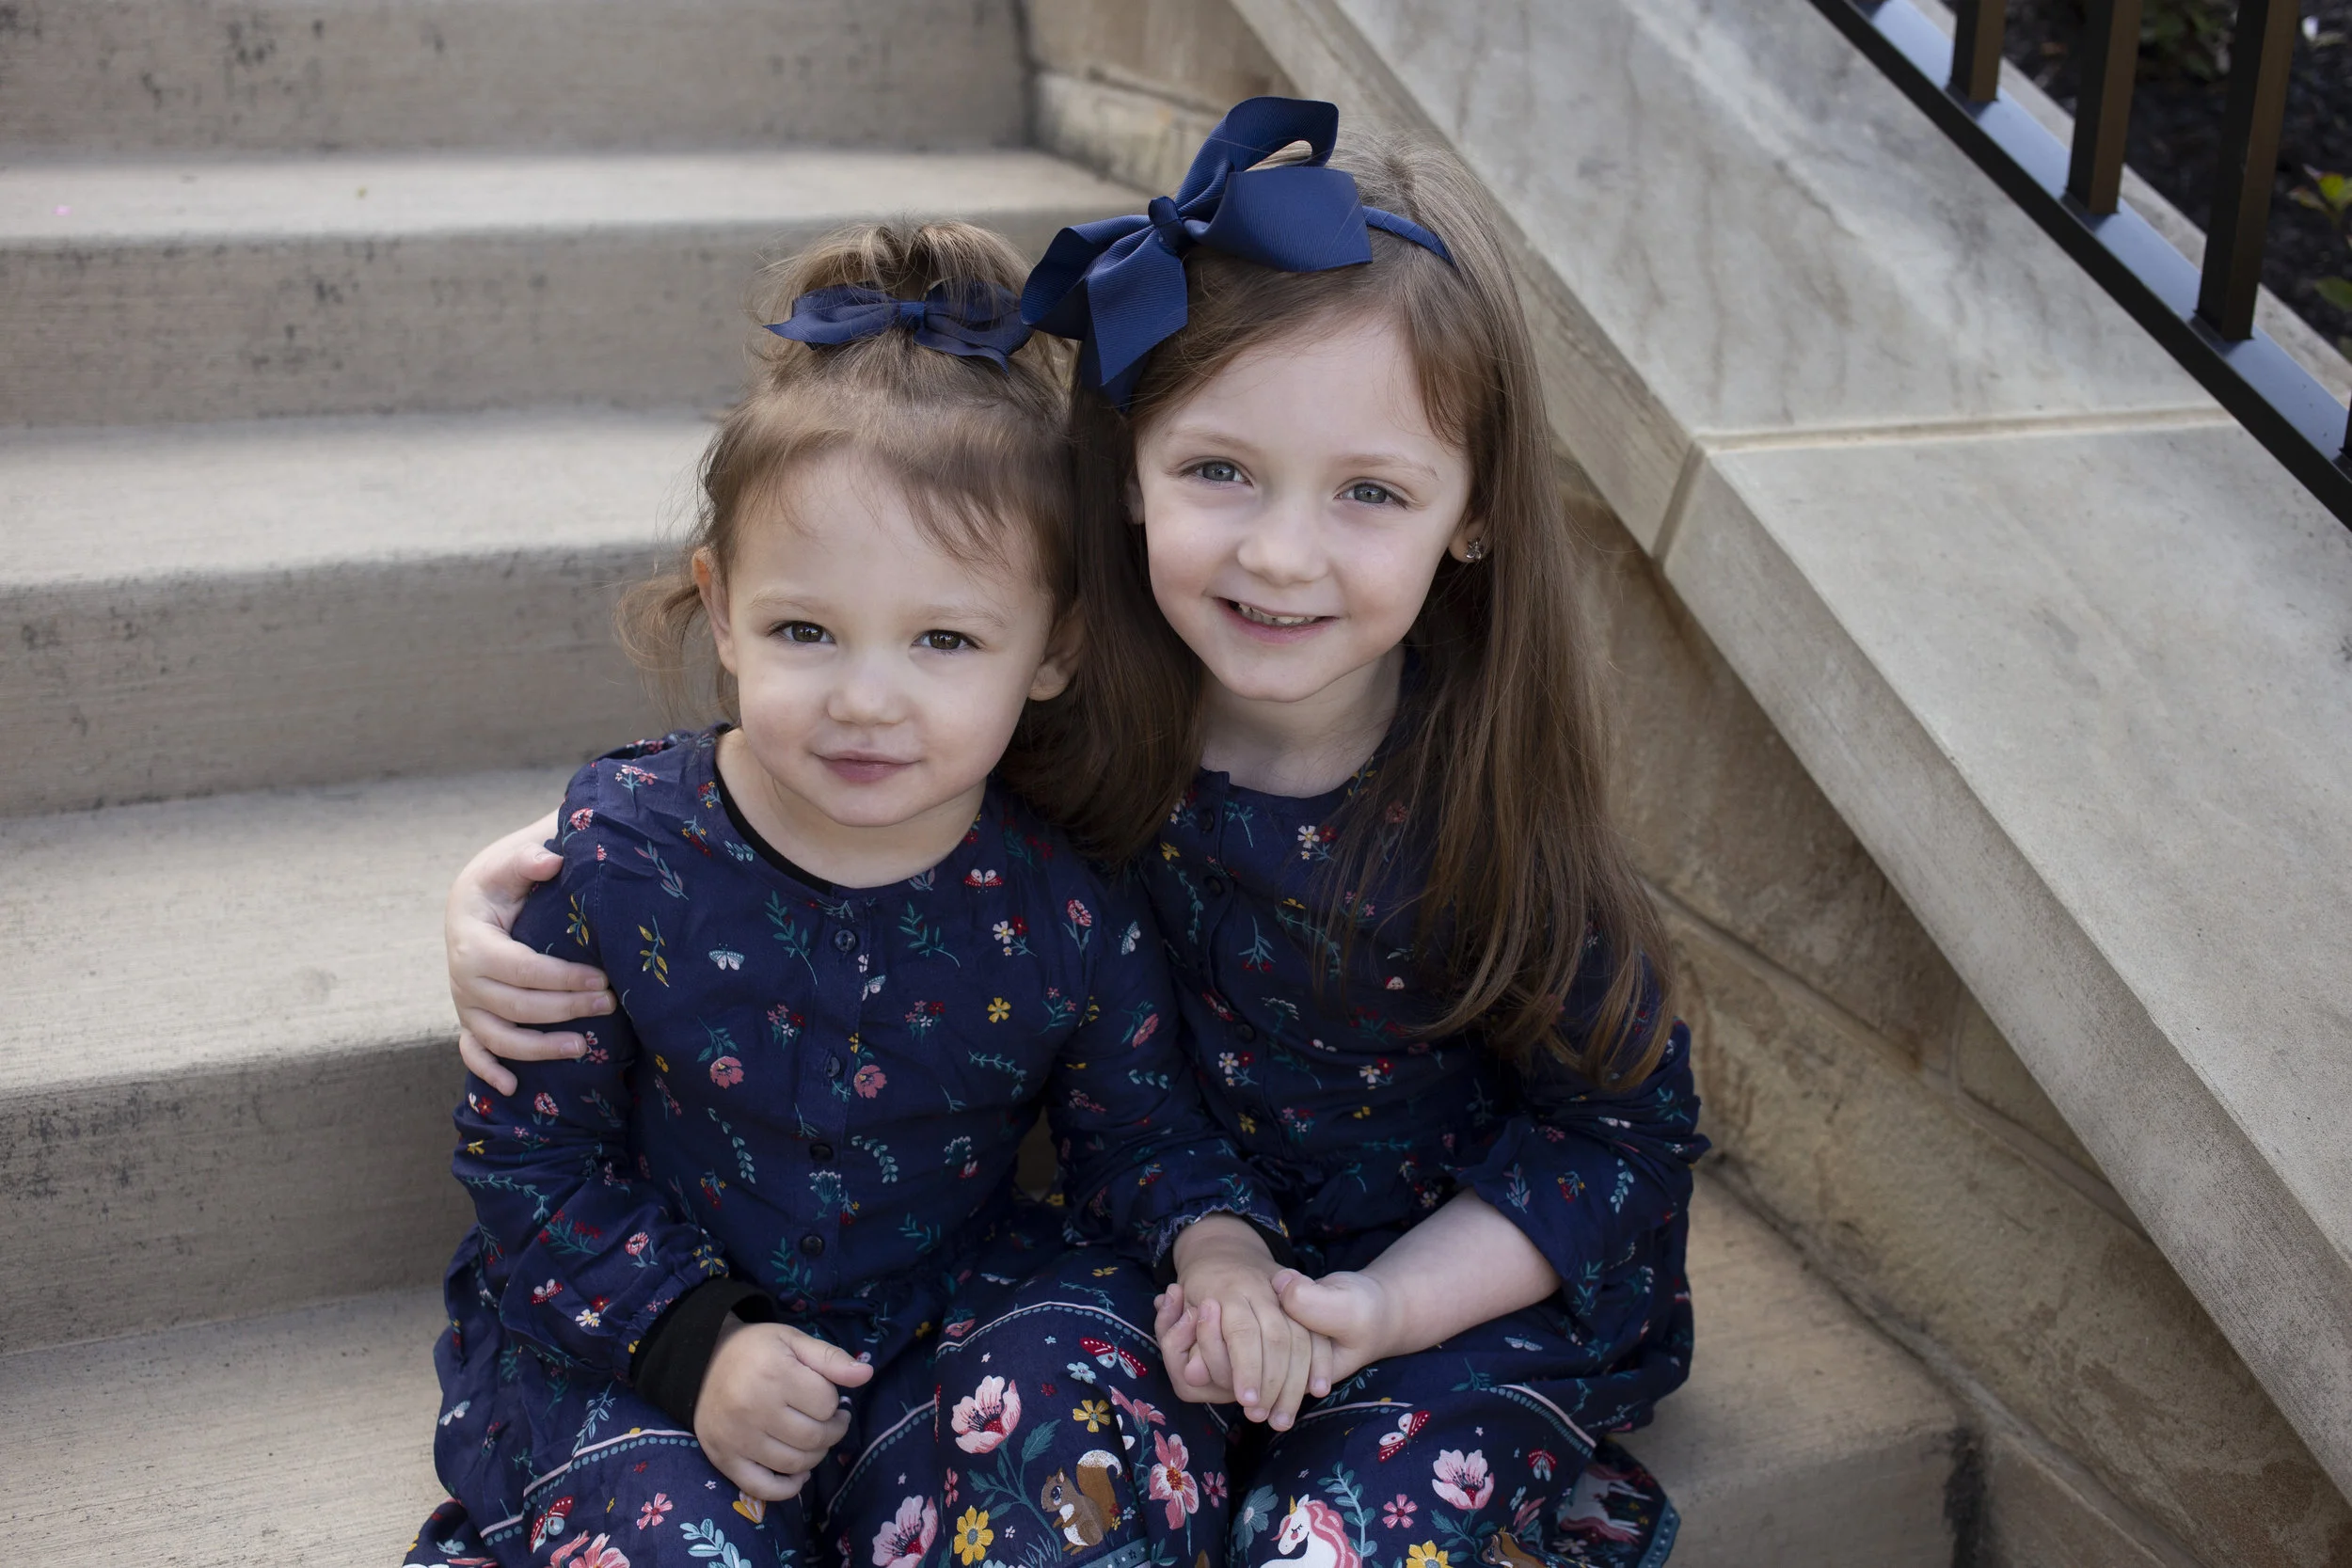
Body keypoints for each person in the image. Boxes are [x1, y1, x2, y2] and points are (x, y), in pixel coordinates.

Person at [447, 103, 1707, 1568]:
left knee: (1312, 1542)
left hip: (1424, 1297)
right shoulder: (1059, 721)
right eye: (1220, 469)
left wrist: (1381, 1308)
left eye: (1370, 491)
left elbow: (1621, 1132)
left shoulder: (1487, 807)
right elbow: (780, 800)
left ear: (1475, 512)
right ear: (1127, 469)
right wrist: (501, 884)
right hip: (1141, 1278)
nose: (1281, 551)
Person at [404, 220, 1306, 1568]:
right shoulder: (619, 862)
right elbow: (530, 1158)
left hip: (940, 1322)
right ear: (721, 608)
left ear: (1052, 646)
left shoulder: (1062, 907)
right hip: (650, 1338)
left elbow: (1140, 1139)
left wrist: (1221, 1249)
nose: (868, 697)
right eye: (805, 630)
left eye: (944, 639)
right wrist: (691, 1345)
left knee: (1081, 1456)